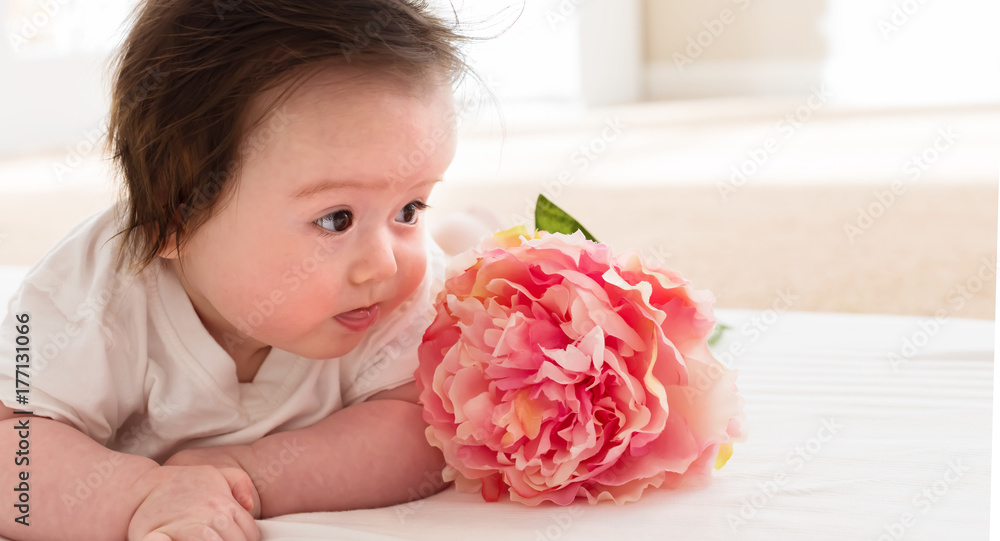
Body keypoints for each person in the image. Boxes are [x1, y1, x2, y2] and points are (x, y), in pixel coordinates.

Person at [0, 1, 477, 539]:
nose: (385, 263)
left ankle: (465, 230)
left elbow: (422, 431)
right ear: (173, 220)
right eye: (336, 219)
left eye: (410, 210)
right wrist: (140, 497)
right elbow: (13, 447)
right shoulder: (85, 298)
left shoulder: (393, 289)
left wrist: (250, 473)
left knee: (466, 261)